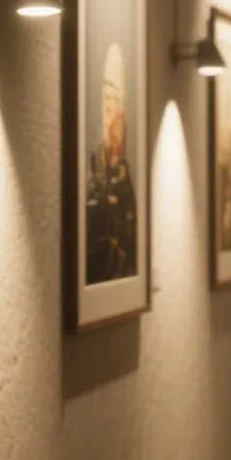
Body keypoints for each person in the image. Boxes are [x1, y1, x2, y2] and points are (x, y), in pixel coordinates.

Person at [86, 43, 137, 282]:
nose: (111, 111)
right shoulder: (93, 170)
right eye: (107, 101)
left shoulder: (125, 179)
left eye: (116, 103)